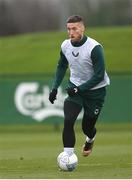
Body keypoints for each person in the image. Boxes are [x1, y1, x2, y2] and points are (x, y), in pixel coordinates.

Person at [49, 15, 110, 157]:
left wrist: (79, 88)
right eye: (68, 29)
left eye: (74, 28)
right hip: (75, 88)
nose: (71, 32)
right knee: (68, 120)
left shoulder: (94, 48)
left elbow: (99, 76)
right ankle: (68, 156)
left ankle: (90, 138)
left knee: (87, 128)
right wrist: (54, 88)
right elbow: (61, 65)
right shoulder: (65, 45)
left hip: (95, 92)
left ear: (83, 28)